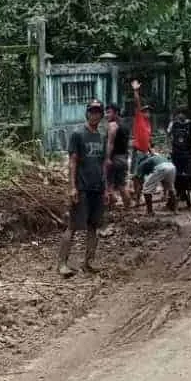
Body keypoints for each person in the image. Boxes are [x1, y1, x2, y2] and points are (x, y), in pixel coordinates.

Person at [57, 100, 108, 277]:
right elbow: (72, 162)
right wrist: (72, 187)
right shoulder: (78, 134)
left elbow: (103, 164)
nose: (95, 115)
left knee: (94, 226)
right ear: (87, 113)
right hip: (82, 187)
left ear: (101, 115)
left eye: (98, 112)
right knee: (72, 226)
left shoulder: (102, 136)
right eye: (92, 111)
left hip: (97, 188)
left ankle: (88, 262)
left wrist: (106, 188)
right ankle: (62, 264)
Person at [167, 107, 191, 208]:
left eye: (182, 113)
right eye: (179, 113)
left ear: (186, 115)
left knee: (188, 176)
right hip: (176, 153)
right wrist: (169, 148)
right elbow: (168, 135)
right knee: (175, 176)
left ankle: (189, 196)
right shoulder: (173, 123)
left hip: (188, 154)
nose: (180, 115)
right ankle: (174, 197)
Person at [104, 104, 132, 209]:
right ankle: (128, 208)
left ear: (116, 113)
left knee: (109, 184)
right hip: (124, 158)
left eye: (109, 112)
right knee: (122, 185)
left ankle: (110, 208)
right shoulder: (125, 124)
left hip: (114, 158)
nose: (106, 115)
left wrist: (107, 158)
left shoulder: (113, 125)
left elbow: (110, 143)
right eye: (106, 112)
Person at [129, 79, 153, 202]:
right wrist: (136, 91)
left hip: (144, 152)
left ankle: (138, 197)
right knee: (136, 176)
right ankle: (136, 198)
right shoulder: (140, 119)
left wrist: (151, 151)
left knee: (142, 176)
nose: (147, 113)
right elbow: (137, 103)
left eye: (149, 111)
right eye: (145, 111)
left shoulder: (149, 124)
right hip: (137, 152)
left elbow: (148, 140)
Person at [136, 150, 178, 214]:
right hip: (172, 167)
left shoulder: (142, 164)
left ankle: (149, 212)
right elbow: (162, 179)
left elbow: (140, 183)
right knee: (171, 187)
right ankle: (175, 210)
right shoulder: (157, 157)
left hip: (161, 167)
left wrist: (137, 201)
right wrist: (164, 194)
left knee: (146, 189)